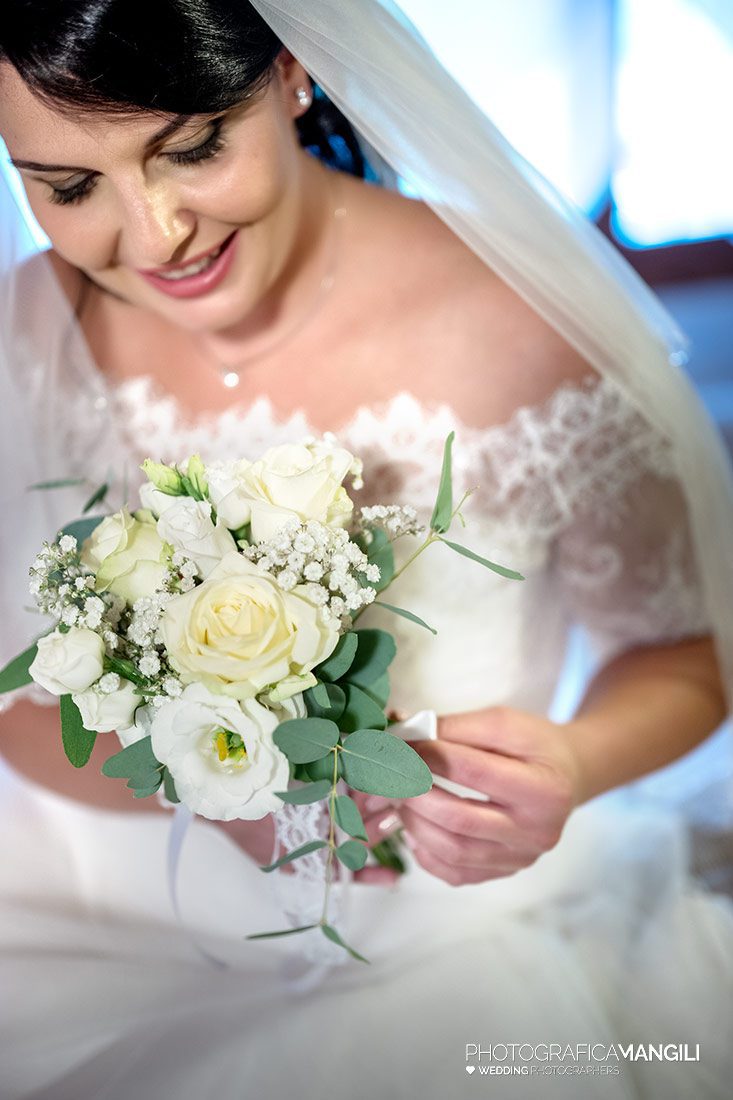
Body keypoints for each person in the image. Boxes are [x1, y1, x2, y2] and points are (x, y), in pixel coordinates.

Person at [0, 2, 731, 1098]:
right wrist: (207, 771)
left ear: (295, 71)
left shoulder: (528, 326)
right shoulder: (34, 328)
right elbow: (19, 705)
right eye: (68, 187)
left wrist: (573, 764)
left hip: (459, 929)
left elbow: (688, 651)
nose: (155, 237)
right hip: (99, 901)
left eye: (192, 149)